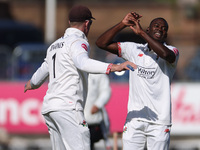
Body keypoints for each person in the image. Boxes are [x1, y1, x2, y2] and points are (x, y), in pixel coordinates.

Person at [24, 5, 136, 150]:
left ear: (70, 22)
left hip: (50, 108)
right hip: (68, 107)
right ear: (87, 23)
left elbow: (42, 71)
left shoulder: (54, 45)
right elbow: (82, 63)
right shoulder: (78, 41)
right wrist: (113, 67)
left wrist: (31, 84)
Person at [96, 12, 179, 150]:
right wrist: (122, 24)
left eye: (164, 28)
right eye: (156, 26)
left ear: (166, 34)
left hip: (160, 122)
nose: (160, 29)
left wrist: (140, 33)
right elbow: (101, 43)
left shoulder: (172, 51)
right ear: (149, 30)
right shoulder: (134, 49)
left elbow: (166, 55)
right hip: (135, 119)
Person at [84, 73, 112, 150]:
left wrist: (98, 104)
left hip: (93, 119)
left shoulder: (99, 72)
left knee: (91, 142)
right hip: (77, 117)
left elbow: (106, 91)